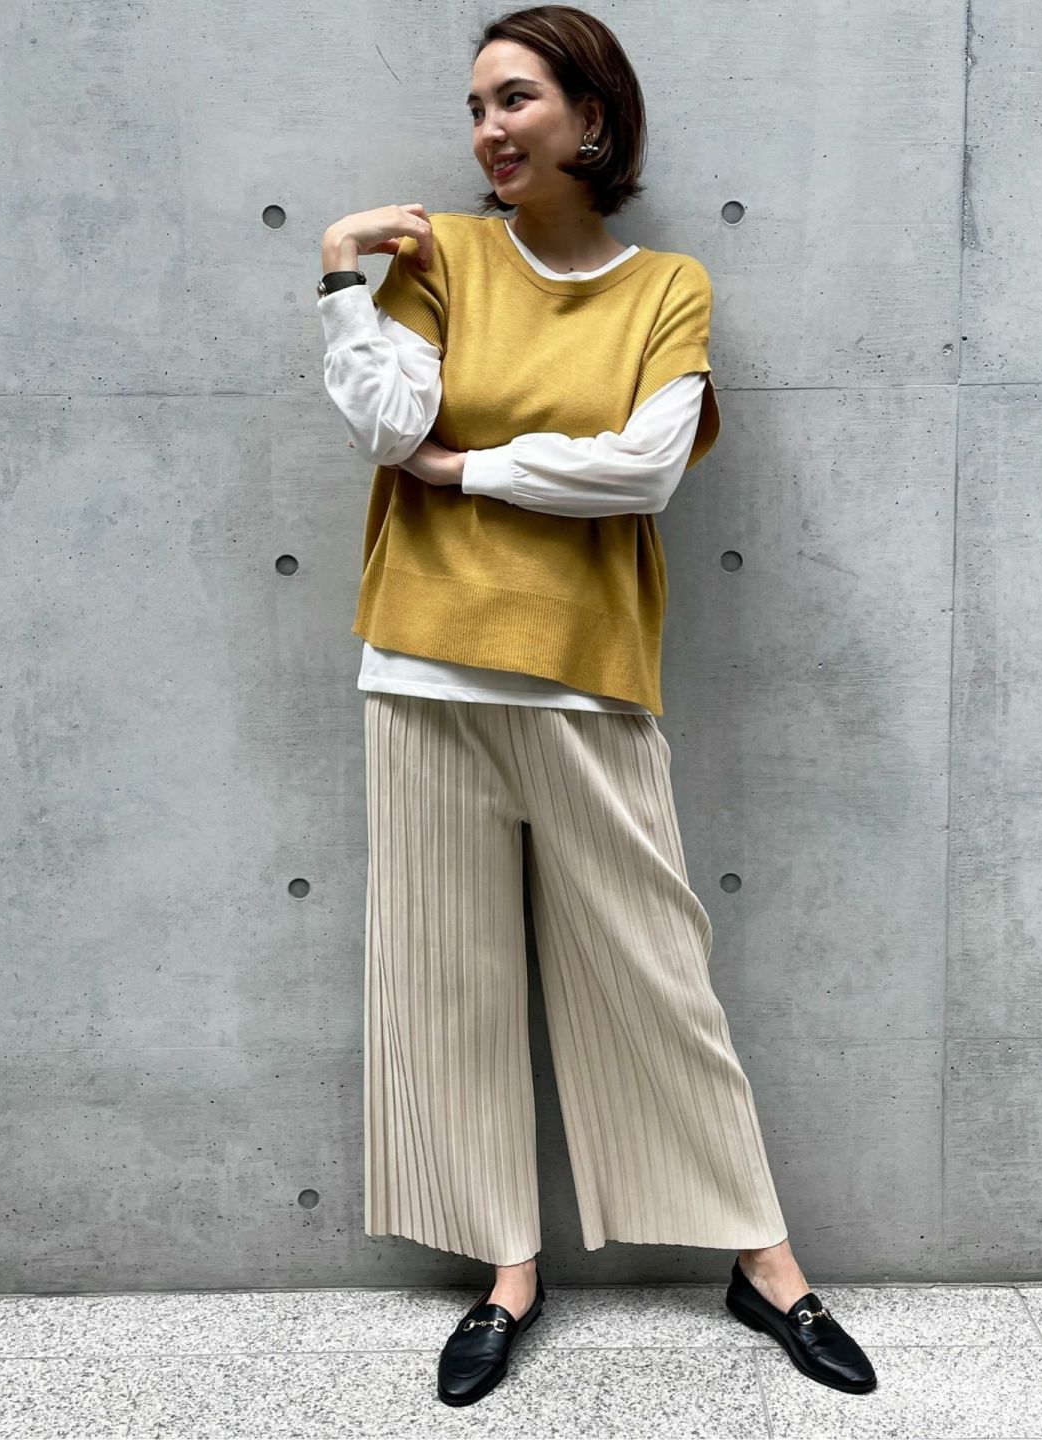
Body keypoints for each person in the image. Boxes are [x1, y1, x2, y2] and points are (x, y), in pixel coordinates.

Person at [317, 3, 876, 1411]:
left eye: (514, 99)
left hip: (584, 669)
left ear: (593, 117)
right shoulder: (442, 260)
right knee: (448, 987)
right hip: (421, 662)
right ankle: (508, 1273)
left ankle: (765, 1264)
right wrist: (340, 273)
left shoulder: (668, 285)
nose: (488, 130)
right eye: (475, 108)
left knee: (654, 973)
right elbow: (388, 425)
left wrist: (472, 471)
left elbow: (643, 469)